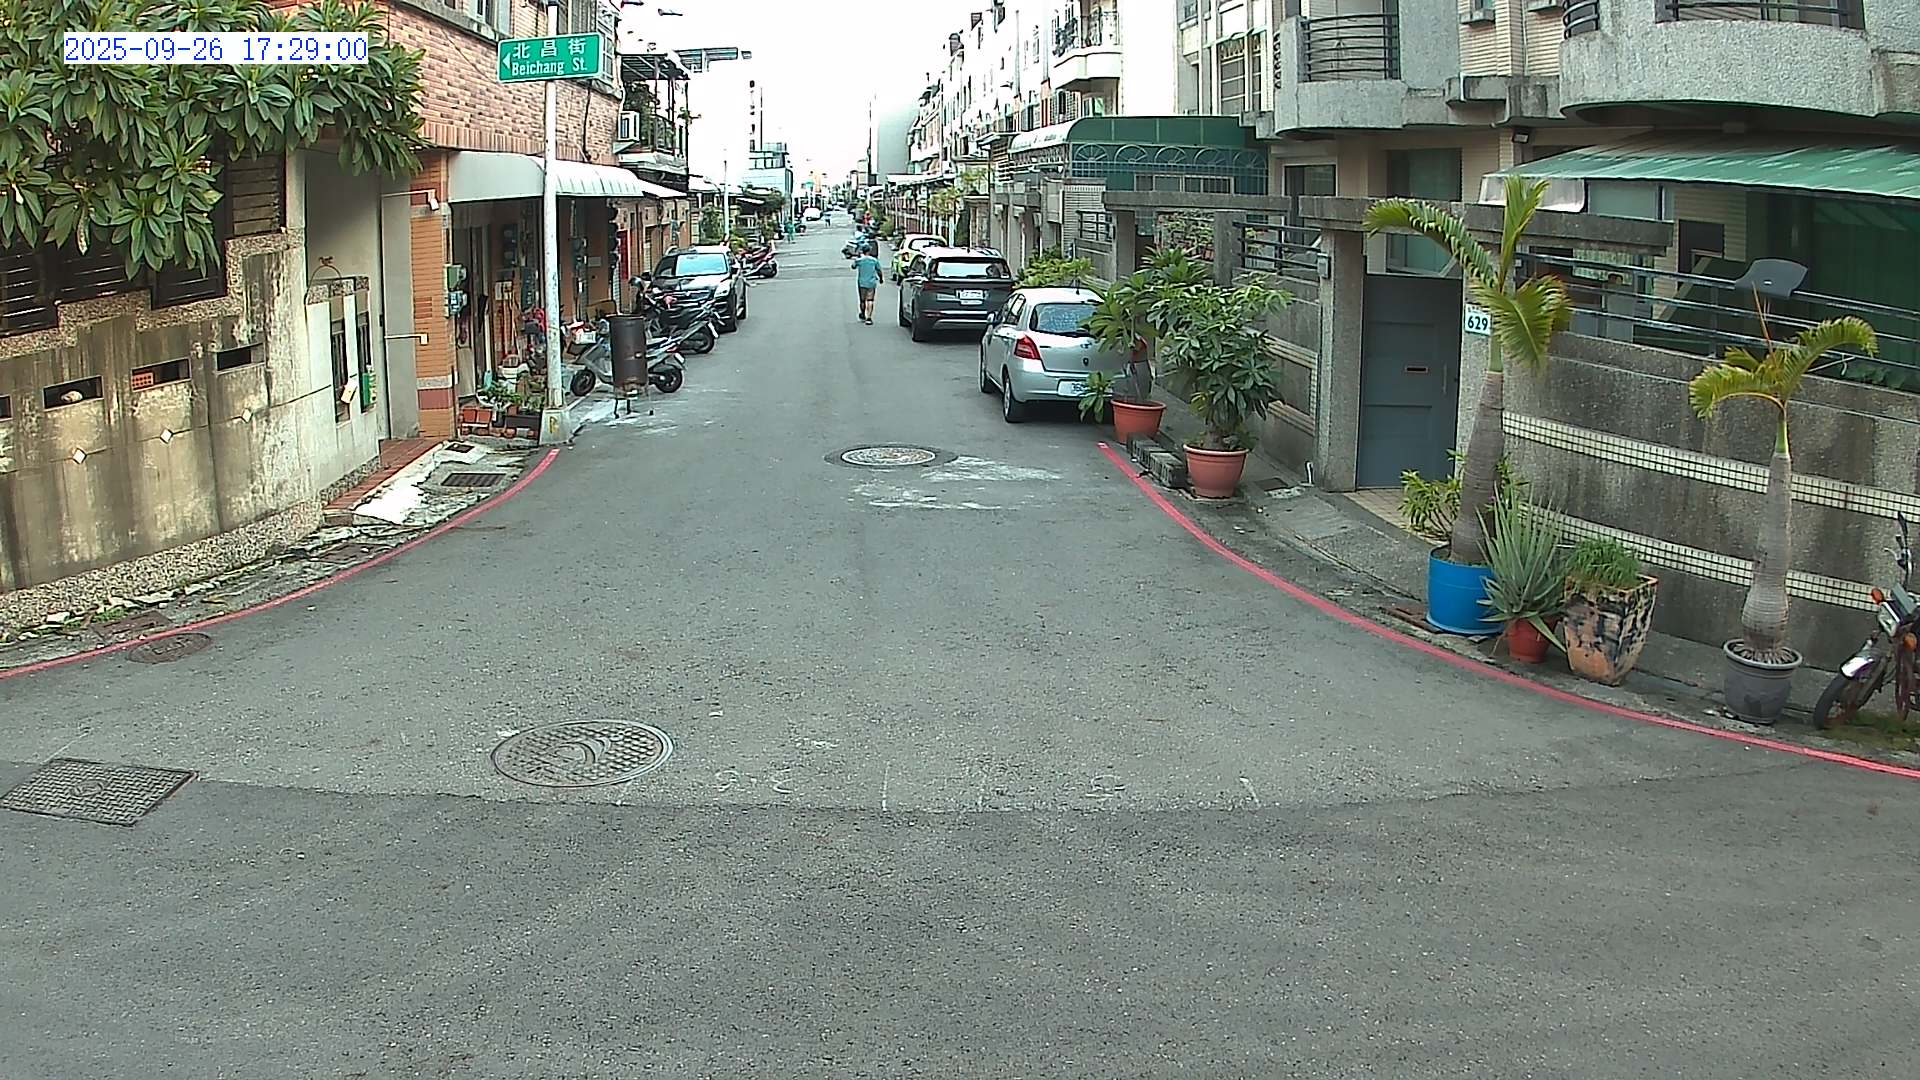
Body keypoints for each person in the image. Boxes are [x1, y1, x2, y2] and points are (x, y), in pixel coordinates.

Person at [853, 243, 884, 325]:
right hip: (871, 282)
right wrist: (881, 278)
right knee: (870, 300)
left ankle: (863, 314)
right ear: (869, 251)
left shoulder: (859, 260)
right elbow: (879, 270)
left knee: (862, 300)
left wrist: (857, 257)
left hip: (862, 282)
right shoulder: (874, 260)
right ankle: (869, 317)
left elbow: (853, 266)